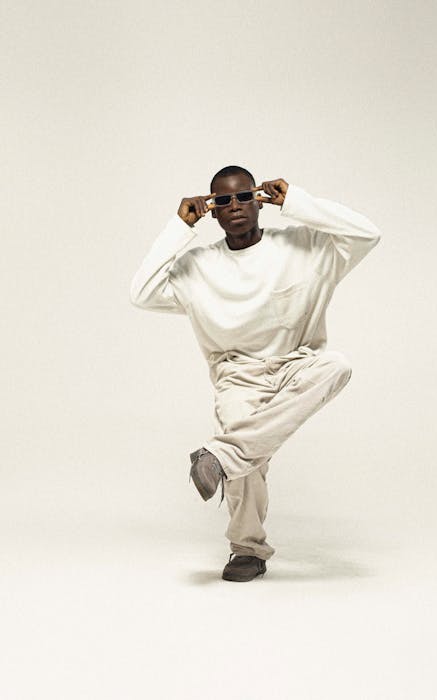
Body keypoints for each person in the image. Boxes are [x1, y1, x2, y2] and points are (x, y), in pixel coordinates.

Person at [130, 165, 381, 582]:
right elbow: (141, 294)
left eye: (243, 197)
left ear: (258, 199)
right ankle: (247, 550)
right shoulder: (198, 266)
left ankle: (223, 457)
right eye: (222, 201)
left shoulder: (305, 247)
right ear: (212, 210)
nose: (234, 207)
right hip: (238, 376)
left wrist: (298, 202)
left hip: (297, 365)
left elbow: (367, 234)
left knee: (337, 365)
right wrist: (178, 227)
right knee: (240, 431)